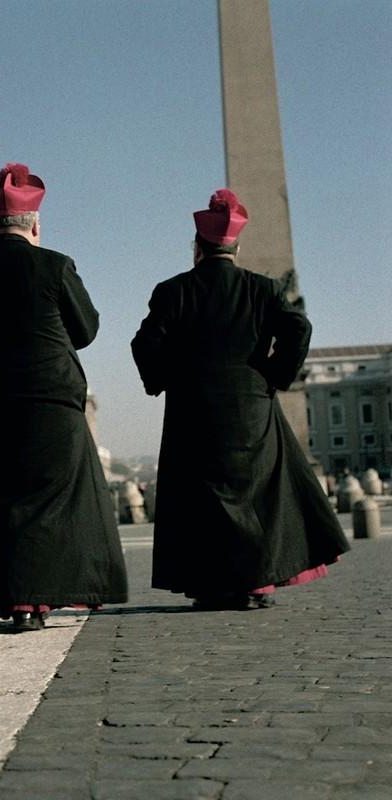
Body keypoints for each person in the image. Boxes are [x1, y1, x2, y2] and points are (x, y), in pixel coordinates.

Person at [131, 189, 349, 610]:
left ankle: (213, 585)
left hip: (193, 408)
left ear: (198, 247)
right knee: (257, 494)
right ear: (236, 247)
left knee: (202, 500)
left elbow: (145, 344)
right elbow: (299, 329)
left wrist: (167, 378)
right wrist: (274, 374)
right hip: (252, 405)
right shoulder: (264, 289)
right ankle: (257, 582)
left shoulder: (173, 290)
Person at [0, 163, 128, 632]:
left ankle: (16, 601)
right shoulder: (55, 265)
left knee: (2, 508)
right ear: (35, 225)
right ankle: (47, 596)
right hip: (52, 405)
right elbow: (86, 330)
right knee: (59, 506)